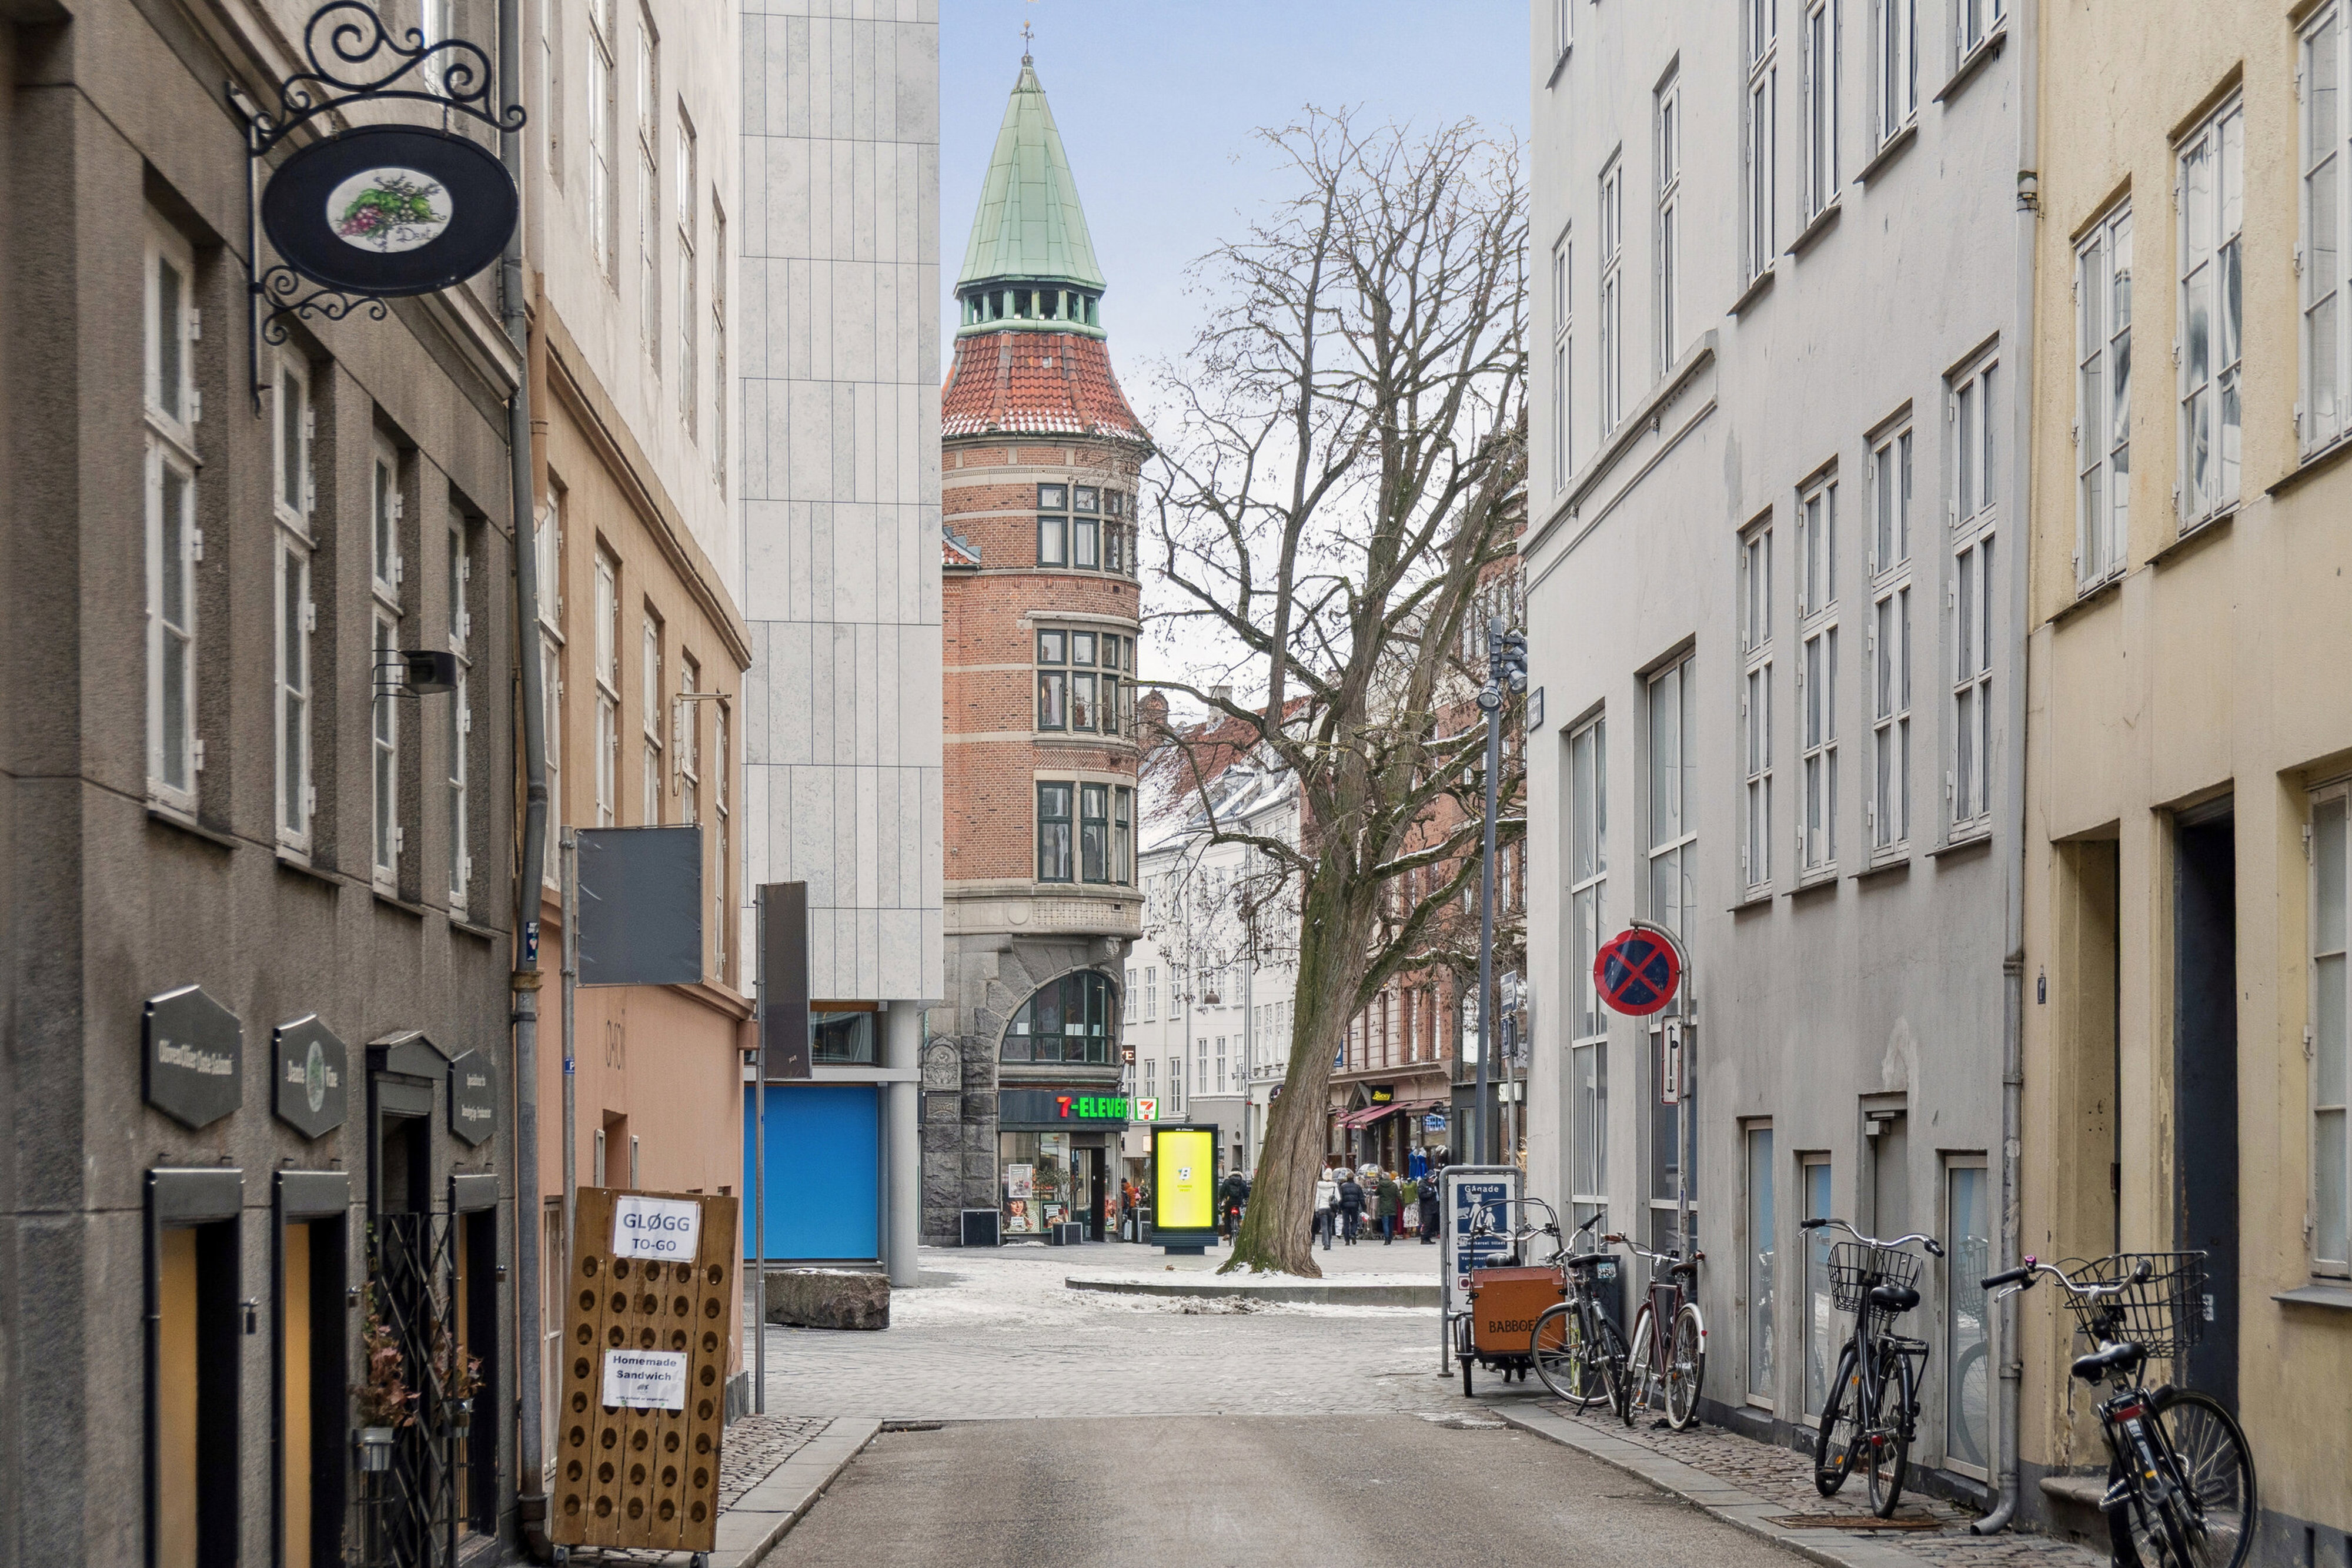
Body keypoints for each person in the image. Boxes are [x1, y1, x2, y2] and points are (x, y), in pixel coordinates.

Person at [1313, 1168, 1339, 1250]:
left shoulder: (1319, 1186)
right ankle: (1329, 1243)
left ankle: (1326, 1243)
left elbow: (1317, 1199)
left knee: (1324, 1226)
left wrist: (1316, 1210)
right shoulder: (1334, 1187)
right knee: (1330, 1226)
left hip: (1322, 1208)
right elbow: (1338, 1198)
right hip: (1331, 1209)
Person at [1337, 1171, 1365, 1244]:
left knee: (1346, 1223)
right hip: (1355, 1206)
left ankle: (1347, 1240)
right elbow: (1361, 1198)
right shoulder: (1357, 1187)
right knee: (1355, 1221)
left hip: (1345, 1207)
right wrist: (1364, 1207)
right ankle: (1353, 1234)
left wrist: (1339, 1208)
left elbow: (1341, 1198)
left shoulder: (1343, 1186)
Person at [1376, 1170, 1402, 1244]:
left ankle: (1387, 1239)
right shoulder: (1394, 1185)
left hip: (1384, 1206)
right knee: (1391, 1224)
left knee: (1385, 1223)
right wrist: (1403, 1205)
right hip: (1392, 1206)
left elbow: (1376, 1193)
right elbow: (1399, 1196)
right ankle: (1390, 1238)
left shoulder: (1380, 1185)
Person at [1418, 1173, 1441, 1243]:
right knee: (1427, 1224)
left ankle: (1428, 1238)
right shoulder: (1423, 1185)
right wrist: (1431, 1194)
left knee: (1431, 1224)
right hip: (1427, 1208)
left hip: (1433, 1208)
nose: (1433, 1180)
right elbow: (1421, 1195)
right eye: (1432, 1178)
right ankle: (1424, 1238)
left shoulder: (1433, 1185)